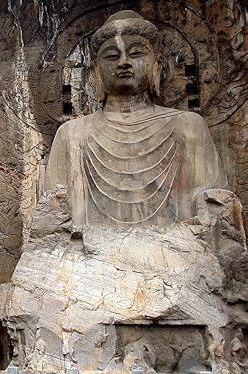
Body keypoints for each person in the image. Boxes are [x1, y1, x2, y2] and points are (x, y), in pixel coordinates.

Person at [44, 10, 226, 226]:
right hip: (91, 246)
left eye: (136, 53)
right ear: (96, 70)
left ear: (157, 64)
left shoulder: (188, 125)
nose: (123, 62)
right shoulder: (72, 134)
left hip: (176, 243)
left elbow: (212, 209)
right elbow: (53, 215)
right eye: (112, 56)